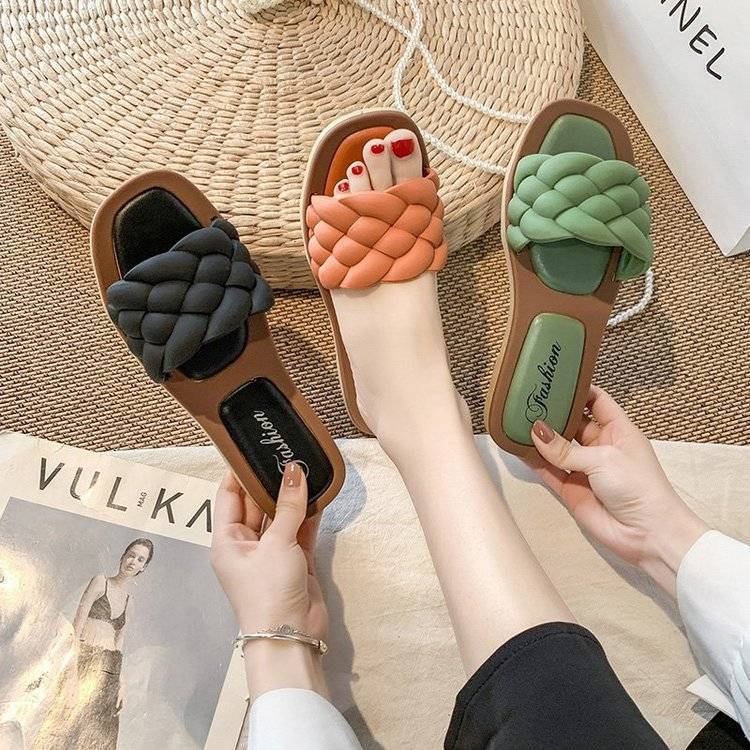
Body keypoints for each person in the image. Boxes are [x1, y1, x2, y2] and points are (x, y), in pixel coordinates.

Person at [32, 538, 154, 750]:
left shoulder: (129, 602)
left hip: (109, 676)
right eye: (131, 555)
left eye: (140, 559)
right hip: (83, 663)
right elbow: (76, 628)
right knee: (61, 730)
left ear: (143, 567)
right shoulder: (100, 582)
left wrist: (121, 683)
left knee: (97, 739)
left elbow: (119, 642)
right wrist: (71, 674)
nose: (133, 561)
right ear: (123, 556)